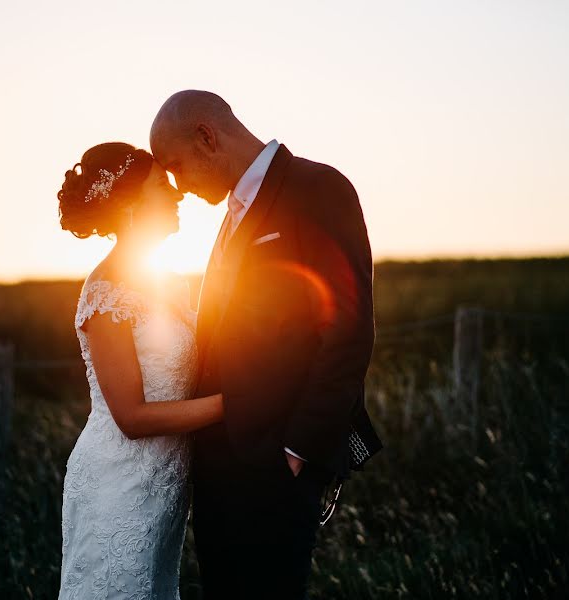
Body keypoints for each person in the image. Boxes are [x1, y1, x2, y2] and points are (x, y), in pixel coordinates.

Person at [149, 90, 383, 599]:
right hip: (218, 472)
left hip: (275, 469)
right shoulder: (232, 213)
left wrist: (296, 451)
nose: (177, 187)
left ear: (207, 138)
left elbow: (348, 332)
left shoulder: (318, 188)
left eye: (175, 167)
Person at [56, 142, 222, 599]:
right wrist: (231, 406)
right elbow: (131, 417)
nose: (176, 194)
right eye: (161, 186)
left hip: (164, 485)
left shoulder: (166, 281)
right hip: (118, 481)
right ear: (131, 204)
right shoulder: (106, 292)